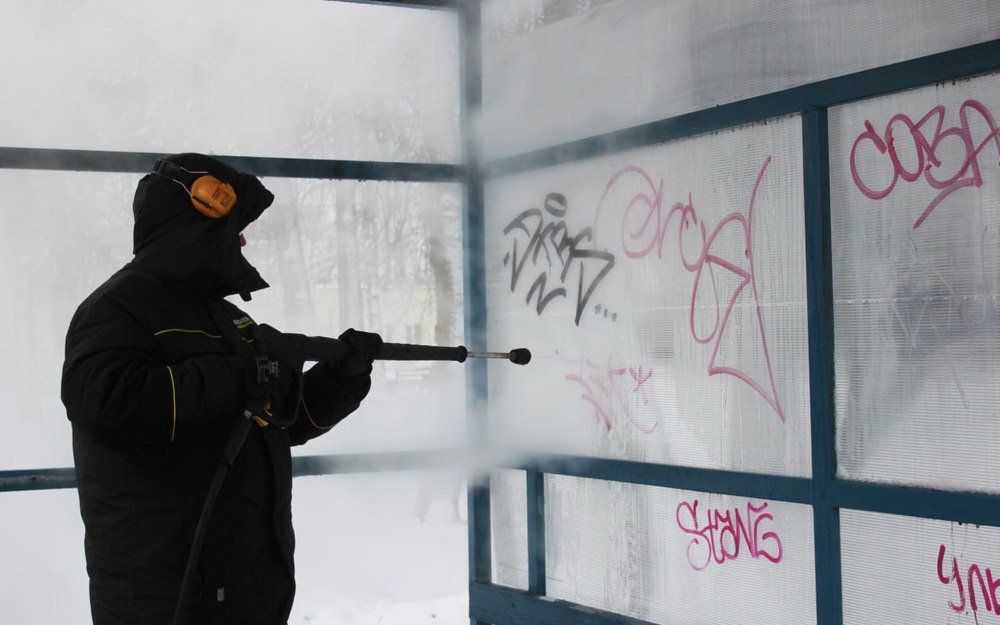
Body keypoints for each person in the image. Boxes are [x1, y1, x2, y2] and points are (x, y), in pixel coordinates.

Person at [61, 153, 382, 625]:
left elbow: (275, 422)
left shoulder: (228, 319)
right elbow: (109, 405)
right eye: (235, 228)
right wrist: (242, 375)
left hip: (245, 586)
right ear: (196, 228)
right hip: (166, 596)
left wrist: (341, 378)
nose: (243, 240)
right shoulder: (117, 308)